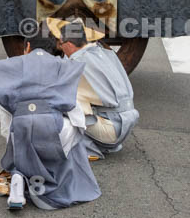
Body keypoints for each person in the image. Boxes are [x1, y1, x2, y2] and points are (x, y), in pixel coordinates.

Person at [0, 22, 100, 210]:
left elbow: (5, 115)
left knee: (17, 137)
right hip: (54, 128)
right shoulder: (63, 66)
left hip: (22, 127)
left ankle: (18, 176)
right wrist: (77, 136)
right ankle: (58, 181)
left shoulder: (12, 67)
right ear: (52, 49)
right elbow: (74, 110)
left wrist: (15, 144)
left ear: (28, 47)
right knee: (72, 130)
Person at [54, 21, 138, 160]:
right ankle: (101, 143)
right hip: (126, 122)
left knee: (59, 110)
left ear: (68, 44)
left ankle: (88, 149)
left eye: (61, 44)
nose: (61, 49)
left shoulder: (77, 63)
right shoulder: (104, 53)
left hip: (111, 130)